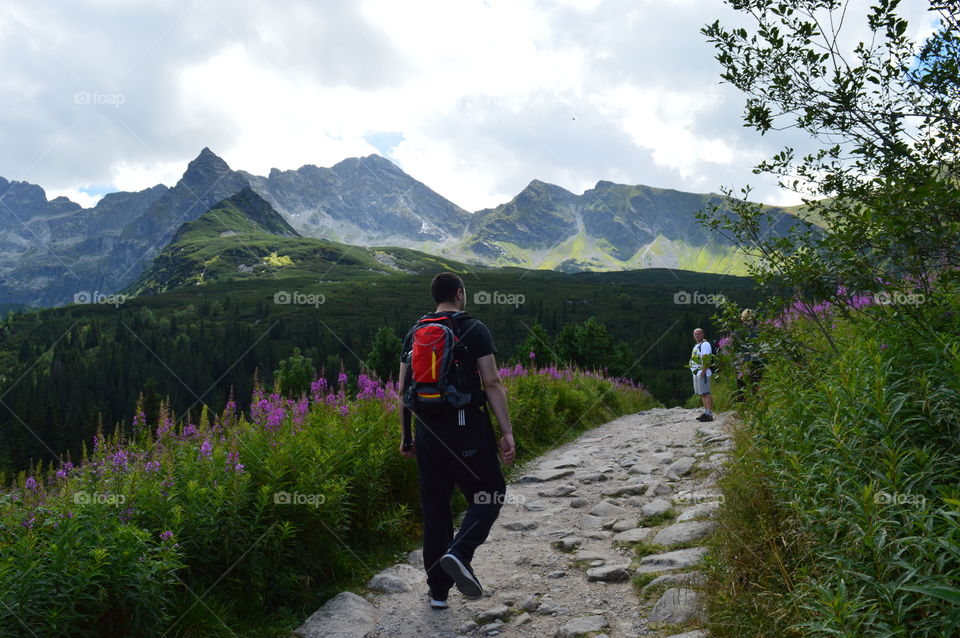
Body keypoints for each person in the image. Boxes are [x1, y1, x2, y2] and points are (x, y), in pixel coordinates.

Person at [398, 272, 516, 610]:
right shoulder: (474, 329)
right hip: (467, 428)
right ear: (460, 294)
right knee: (490, 492)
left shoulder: (415, 332)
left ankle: (438, 593)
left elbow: (403, 394)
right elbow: (491, 383)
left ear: (435, 296)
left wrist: (406, 437)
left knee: (436, 510)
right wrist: (506, 431)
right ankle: (460, 552)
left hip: (427, 431)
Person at [689, 328, 714, 421]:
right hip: (697, 373)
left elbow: (706, 359)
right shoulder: (697, 346)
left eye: (699, 334)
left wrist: (703, 372)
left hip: (702, 373)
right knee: (702, 394)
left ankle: (709, 414)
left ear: (703, 334)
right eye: (695, 334)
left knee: (706, 393)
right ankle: (706, 412)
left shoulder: (705, 345)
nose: (697, 336)